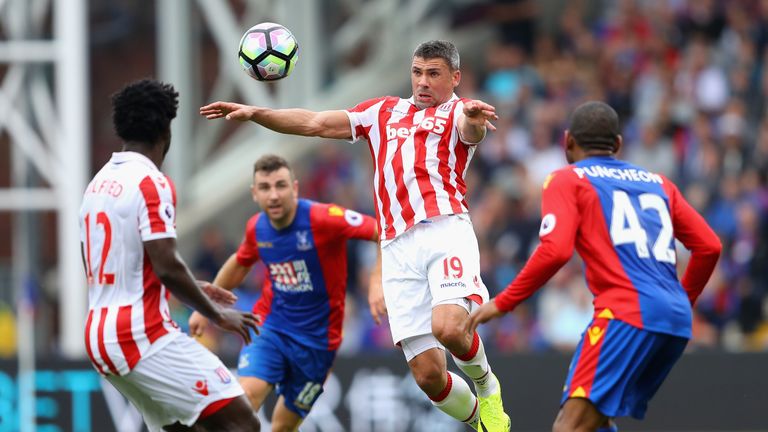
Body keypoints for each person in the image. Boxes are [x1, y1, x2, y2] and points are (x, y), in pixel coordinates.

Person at [200, 39, 510, 432]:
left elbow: (472, 131)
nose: (423, 82)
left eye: (433, 74)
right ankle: (482, 423)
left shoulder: (457, 112)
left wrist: (475, 120)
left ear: (455, 77)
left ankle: (487, 387)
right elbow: (314, 123)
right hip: (397, 246)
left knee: (448, 328)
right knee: (428, 375)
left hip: (444, 229)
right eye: (417, 72)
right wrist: (256, 113)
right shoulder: (381, 111)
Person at [469, 101, 722, 432]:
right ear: (617, 144)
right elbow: (710, 247)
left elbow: (556, 251)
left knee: (569, 427)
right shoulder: (659, 183)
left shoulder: (567, 179)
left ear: (567, 142)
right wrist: (681, 303)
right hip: (673, 321)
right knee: (596, 421)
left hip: (626, 314)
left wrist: (503, 303)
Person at [79, 79, 261, 432]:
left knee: (185, 428)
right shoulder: (152, 182)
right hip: (141, 334)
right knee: (242, 424)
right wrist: (217, 314)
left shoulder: (97, 185)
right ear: (166, 130)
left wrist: (194, 285)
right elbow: (166, 264)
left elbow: (122, 263)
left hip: (99, 335)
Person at [188, 154, 380, 432]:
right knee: (244, 400)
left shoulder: (324, 218)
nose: (274, 195)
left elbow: (380, 230)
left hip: (318, 344)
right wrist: (205, 307)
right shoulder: (258, 227)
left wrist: (376, 281)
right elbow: (240, 262)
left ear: (296, 188)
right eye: (265, 188)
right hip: (270, 328)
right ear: (255, 194)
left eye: (281, 185)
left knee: (283, 427)